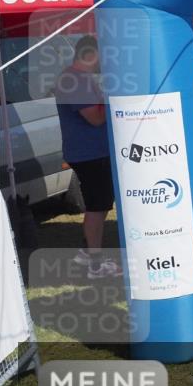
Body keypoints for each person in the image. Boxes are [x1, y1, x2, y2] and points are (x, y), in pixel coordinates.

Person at [53, 36, 122, 279]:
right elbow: (95, 117)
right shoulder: (74, 80)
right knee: (97, 206)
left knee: (101, 204)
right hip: (89, 154)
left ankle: (86, 252)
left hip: (92, 152)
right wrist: (112, 97)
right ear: (92, 54)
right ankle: (95, 265)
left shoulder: (80, 79)